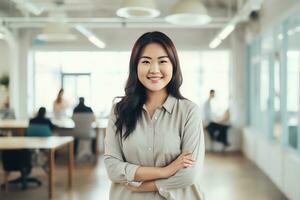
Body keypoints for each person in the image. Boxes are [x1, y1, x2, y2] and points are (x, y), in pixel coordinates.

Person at [104, 31, 205, 200]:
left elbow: (189, 174)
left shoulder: (189, 111)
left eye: (162, 61)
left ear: (173, 65)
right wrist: (165, 171)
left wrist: (145, 186)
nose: (154, 69)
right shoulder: (118, 111)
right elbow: (112, 168)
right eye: (145, 61)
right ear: (135, 67)